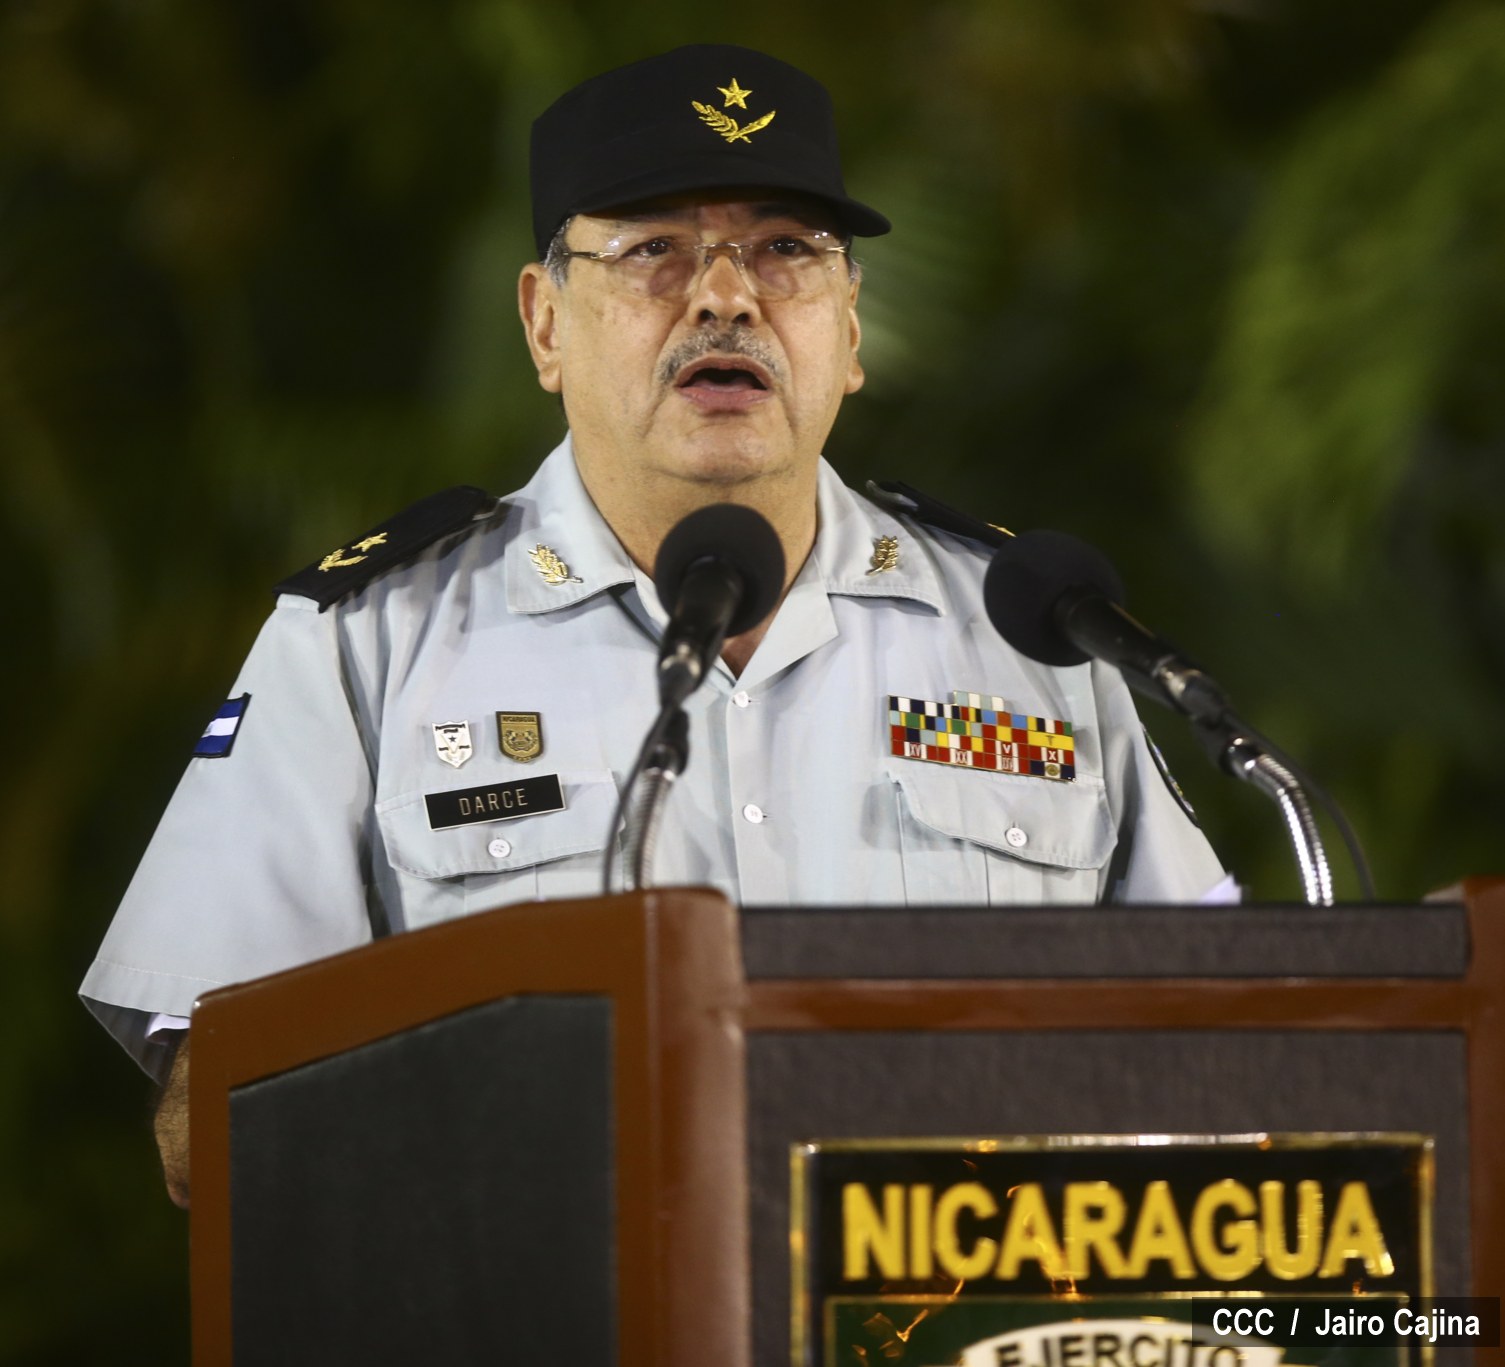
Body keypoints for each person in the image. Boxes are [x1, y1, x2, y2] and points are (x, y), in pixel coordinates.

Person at [81, 44, 1229, 1206]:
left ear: (849, 325)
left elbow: (1219, 1049)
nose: (726, 297)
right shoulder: (368, 645)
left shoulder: (1027, 627)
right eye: (652, 250)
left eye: (785, 249)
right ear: (545, 324)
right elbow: (212, 1123)